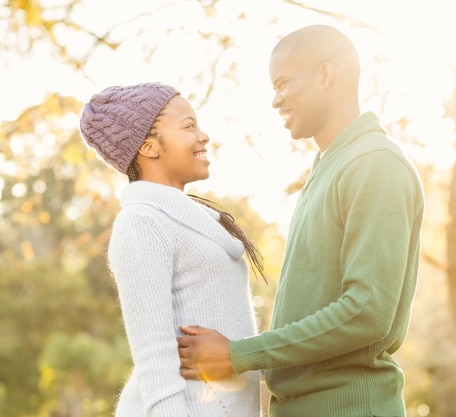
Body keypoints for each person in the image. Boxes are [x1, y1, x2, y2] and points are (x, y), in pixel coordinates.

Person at [178, 24, 425, 417]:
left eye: (283, 83)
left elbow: (367, 312)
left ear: (326, 75)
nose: (276, 100)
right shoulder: (329, 167)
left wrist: (239, 354)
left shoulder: (375, 164)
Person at [79, 82, 263, 417]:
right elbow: (155, 360)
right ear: (149, 147)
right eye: (189, 126)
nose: (203, 136)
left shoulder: (193, 220)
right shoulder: (141, 223)